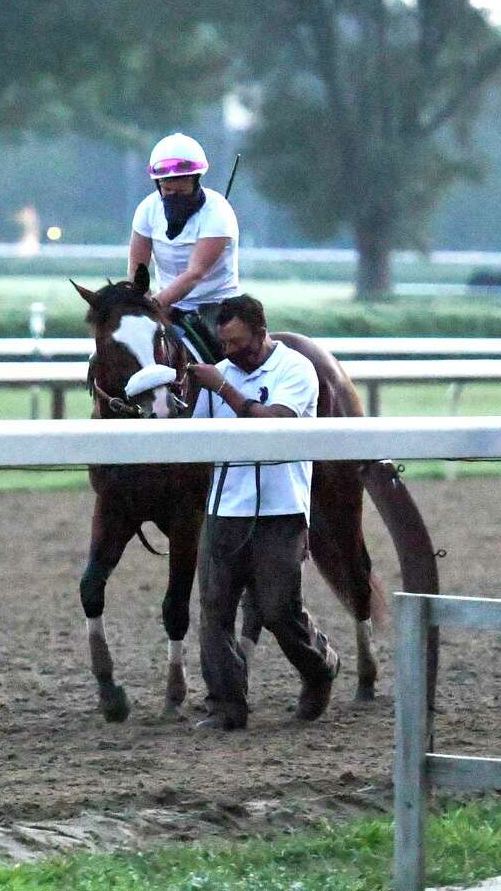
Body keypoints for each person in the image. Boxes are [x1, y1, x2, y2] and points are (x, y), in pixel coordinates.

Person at [186, 294, 340, 730]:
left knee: (277, 611)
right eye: (226, 347)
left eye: (241, 345)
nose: (234, 355)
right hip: (224, 510)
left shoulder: (295, 370)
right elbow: (193, 438)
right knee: (215, 611)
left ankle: (320, 667)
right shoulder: (221, 375)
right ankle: (227, 706)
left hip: (282, 511)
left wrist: (223, 388)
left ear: (261, 331)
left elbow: (274, 423)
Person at [129, 132, 239, 362]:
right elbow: (137, 268)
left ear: (196, 181)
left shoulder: (218, 212)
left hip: (215, 306)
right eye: (167, 190)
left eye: (180, 191)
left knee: (232, 356)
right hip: (166, 306)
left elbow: (194, 274)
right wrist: (143, 303)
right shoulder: (147, 210)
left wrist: (155, 304)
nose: (172, 196)